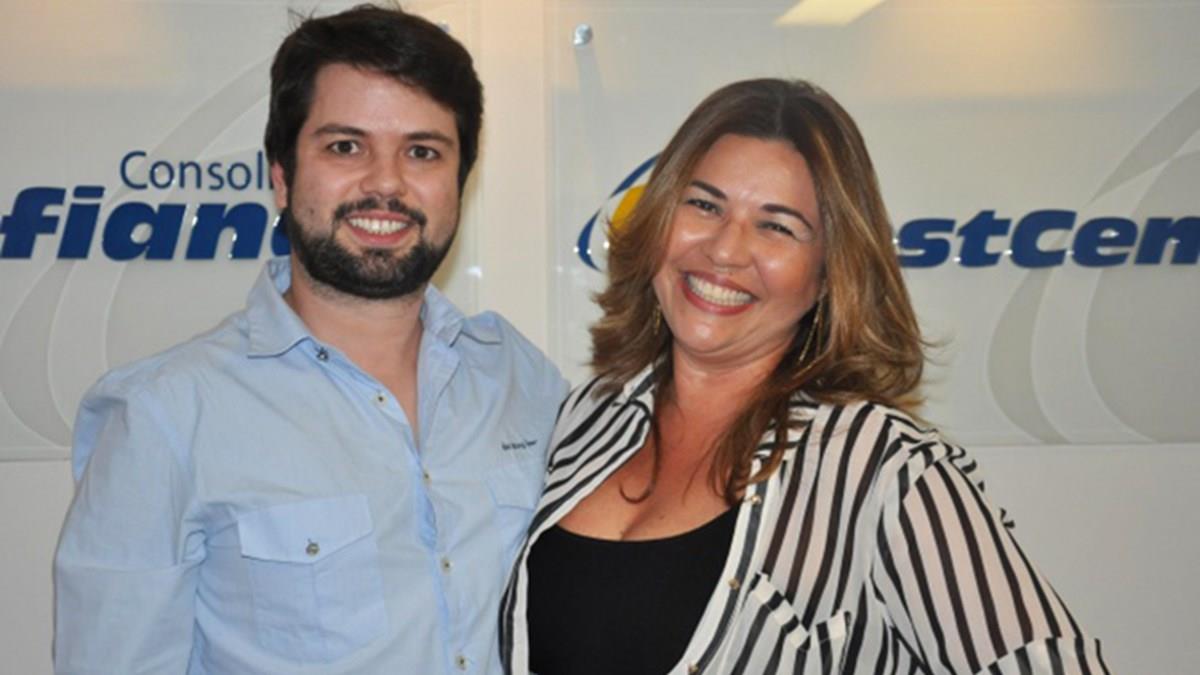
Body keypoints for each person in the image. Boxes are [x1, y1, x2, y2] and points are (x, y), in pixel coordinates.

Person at [500, 79, 1110, 674]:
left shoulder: (884, 467)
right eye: (704, 205)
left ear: (827, 275)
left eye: (777, 226)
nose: (725, 250)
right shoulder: (586, 419)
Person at [54, 6, 567, 674]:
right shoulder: (165, 417)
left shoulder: (521, 381)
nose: (386, 183)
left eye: (422, 151)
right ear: (281, 176)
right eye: (346, 146)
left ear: (459, 182)